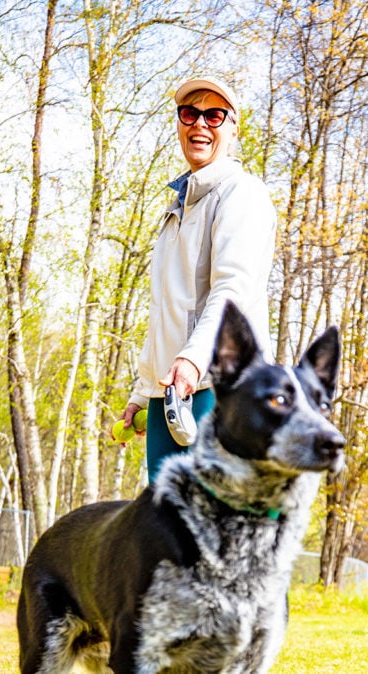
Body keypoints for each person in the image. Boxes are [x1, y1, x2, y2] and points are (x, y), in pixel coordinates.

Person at [119, 75, 278, 484]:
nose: (200, 124)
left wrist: (192, 359)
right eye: (190, 113)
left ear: (233, 127)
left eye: (214, 115)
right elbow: (168, 312)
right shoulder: (179, 207)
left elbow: (233, 291)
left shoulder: (242, 194)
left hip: (219, 389)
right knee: (165, 533)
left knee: (214, 531)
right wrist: (143, 393)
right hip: (170, 396)